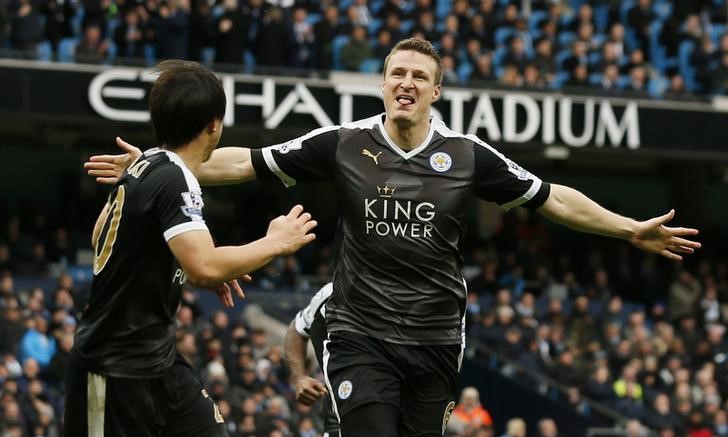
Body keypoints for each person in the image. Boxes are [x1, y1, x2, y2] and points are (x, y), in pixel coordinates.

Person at [86, 38, 701, 436]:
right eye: (396, 73)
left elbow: (552, 197)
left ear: (436, 91)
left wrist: (627, 228)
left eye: (418, 76)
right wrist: (160, 161)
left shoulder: (467, 156)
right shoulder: (344, 143)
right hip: (361, 334)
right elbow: (244, 160)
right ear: (383, 84)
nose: (405, 82)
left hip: (436, 338)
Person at [67, 60, 317, 437]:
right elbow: (205, 266)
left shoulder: (147, 164)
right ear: (214, 124)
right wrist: (275, 243)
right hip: (114, 368)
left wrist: (180, 265)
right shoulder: (171, 176)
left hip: (158, 360)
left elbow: (105, 237)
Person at [283, 282, 339, 437]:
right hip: (340, 404)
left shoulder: (408, 287)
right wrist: (299, 377)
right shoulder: (331, 291)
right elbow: (296, 328)